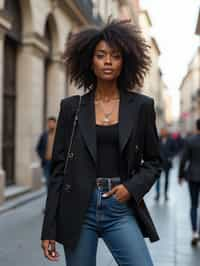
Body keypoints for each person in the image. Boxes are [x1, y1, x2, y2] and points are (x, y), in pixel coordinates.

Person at [41, 20, 162, 266]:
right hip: (78, 209)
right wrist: (49, 229)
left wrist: (131, 188)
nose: (108, 61)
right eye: (101, 55)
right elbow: (58, 171)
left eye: (115, 56)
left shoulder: (141, 106)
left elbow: (154, 161)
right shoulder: (71, 108)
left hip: (119, 207)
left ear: (124, 61)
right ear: (89, 60)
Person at [179, 118, 200, 246]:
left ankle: (194, 232)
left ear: (196, 127)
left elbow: (183, 159)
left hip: (193, 176)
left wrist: (180, 175)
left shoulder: (190, 140)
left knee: (193, 205)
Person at [155, 128, 176, 201]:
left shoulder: (171, 140)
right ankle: (157, 194)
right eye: (162, 131)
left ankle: (165, 193)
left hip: (167, 163)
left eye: (164, 131)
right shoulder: (157, 139)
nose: (163, 132)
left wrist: (170, 156)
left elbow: (175, 150)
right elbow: (154, 150)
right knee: (157, 180)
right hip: (159, 163)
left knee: (167, 180)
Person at [36, 117, 57, 188]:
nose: (51, 124)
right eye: (49, 123)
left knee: (55, 181)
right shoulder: (44, 135)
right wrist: (43, 157)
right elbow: (38, 148)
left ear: (55, 123)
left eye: (52, 123)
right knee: (48, 180)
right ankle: (49, 196)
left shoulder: (59, 135)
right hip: (46, 162)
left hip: (56, 162)